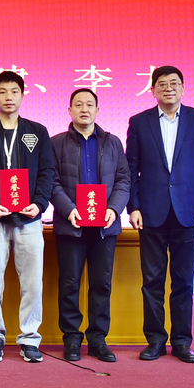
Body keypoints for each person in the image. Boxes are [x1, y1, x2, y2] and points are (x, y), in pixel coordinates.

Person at [126, 66, 194, 364]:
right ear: (152, 90)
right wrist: (133, 207)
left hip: (188, 213)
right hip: (150, 212)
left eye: (174, 83)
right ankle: (155, 341)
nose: (169, 88)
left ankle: (181, 342)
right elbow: (131, 169)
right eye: (162, 84)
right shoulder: (139, 122)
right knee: (152, 281)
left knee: (183, 281)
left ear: (183, 88)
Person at [0, 70, 54, 363]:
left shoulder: (37, 132)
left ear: (22, 95)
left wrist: (39, 204)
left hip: (29, 219)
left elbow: (47, 172)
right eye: (2, 91)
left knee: (32, 283)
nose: (8, 97)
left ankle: (29, 338)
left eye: (14, 91)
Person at [50, 89, 130, 363]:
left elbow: (123, 180)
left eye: (89, 105)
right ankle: (72, 339)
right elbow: (52, 182)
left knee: (101, 284)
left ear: (97, 110)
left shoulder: (112, 142)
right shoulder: (56, 143)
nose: (84, 109)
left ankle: (97, 339)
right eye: (78, 104)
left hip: (104, 227)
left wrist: (113, 209)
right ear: (69, 110)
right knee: (69, 283)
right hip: (71, 225)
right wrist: (69, 209)